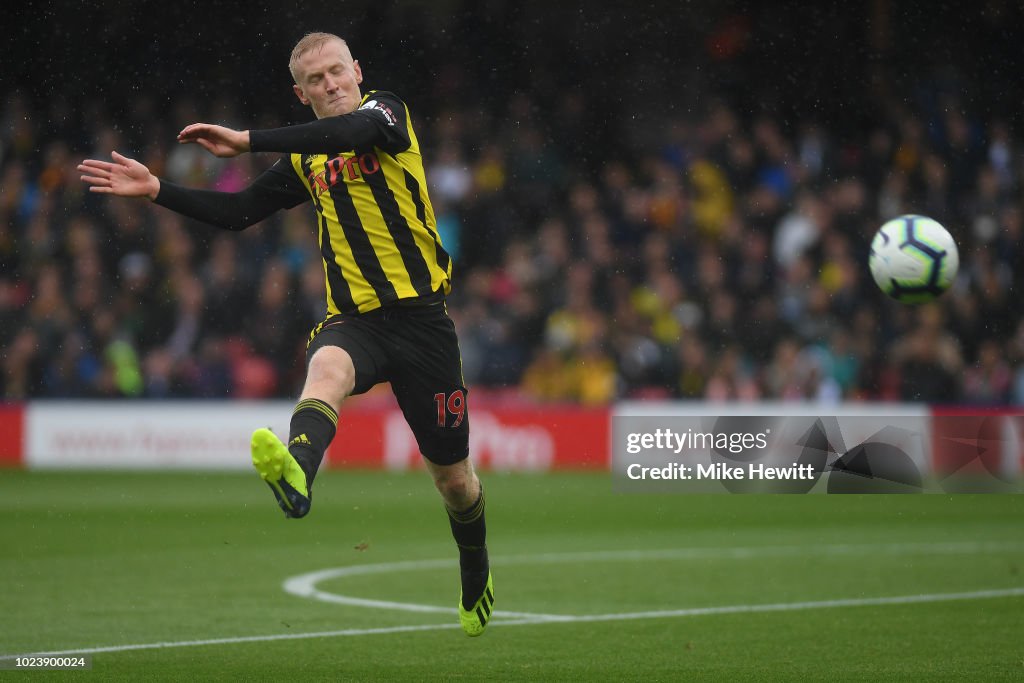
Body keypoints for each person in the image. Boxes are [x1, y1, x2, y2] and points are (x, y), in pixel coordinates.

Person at [78, 32, 493, 637]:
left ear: (357, 69)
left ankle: (475, 563)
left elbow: (350, 135)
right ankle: (298, 473)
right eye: (317, 81)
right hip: (356, 320)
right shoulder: (306, 158)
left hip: (424, 322)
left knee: (454, 481)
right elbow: (239, 212)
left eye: (337, 72)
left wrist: (246, 140)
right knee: (326, 368)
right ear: (301, 94)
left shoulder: (387, 114)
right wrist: (158, 190)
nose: (331, 85)